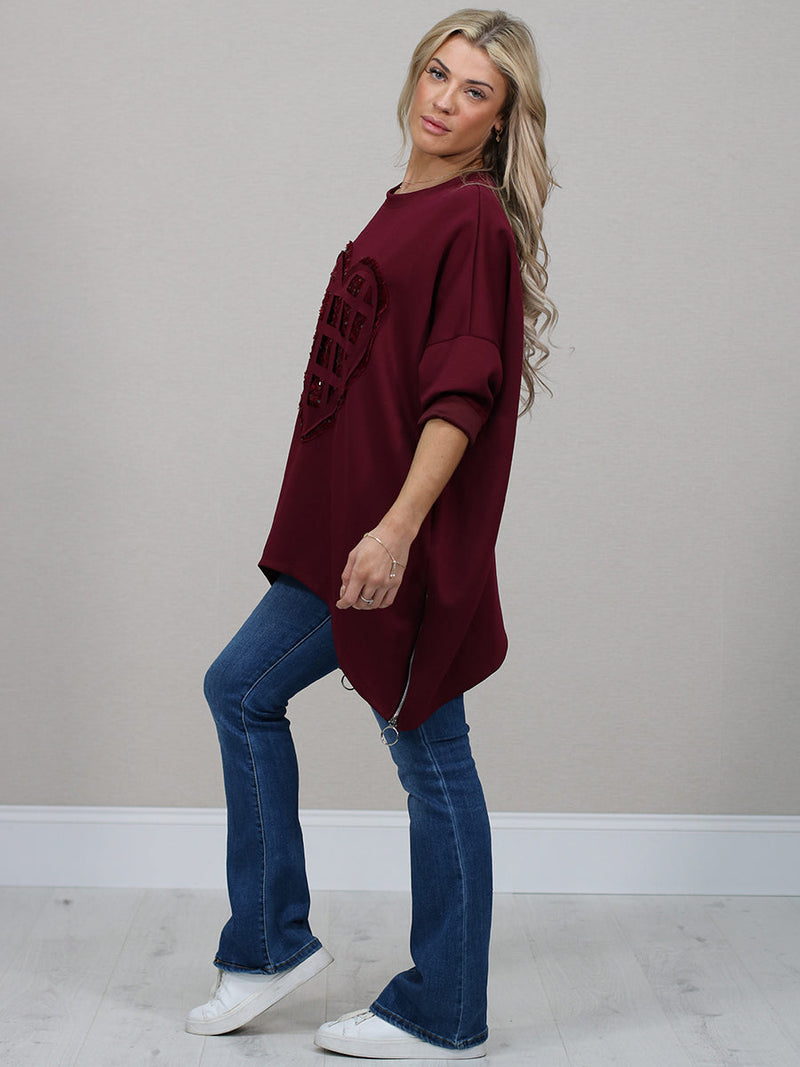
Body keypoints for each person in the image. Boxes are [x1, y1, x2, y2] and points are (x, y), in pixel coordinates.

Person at [185, 7, 557, 1060]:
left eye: (475, 91)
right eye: (438, 73)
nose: (445, 99)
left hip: (393, 540)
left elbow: (460, 394)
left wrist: (396, 530)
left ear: (500, 120)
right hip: (340, 529)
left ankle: (442, 1009)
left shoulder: (472, 220)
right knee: (242, 689)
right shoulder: (408, 204)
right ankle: (271, 944)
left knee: (430, 757)